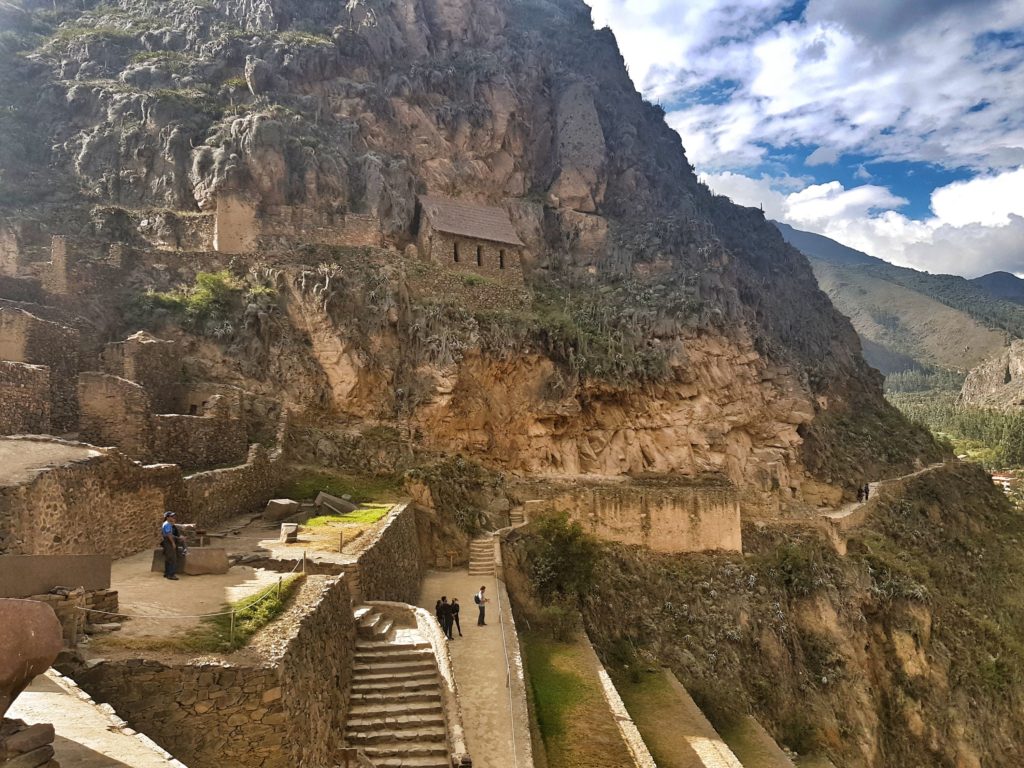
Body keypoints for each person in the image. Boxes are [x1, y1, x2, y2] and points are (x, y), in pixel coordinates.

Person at [161, 511, 182, 580]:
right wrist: (173, 543)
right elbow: (169, 534)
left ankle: (167, 573)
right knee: (172, 559)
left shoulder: (166, 524)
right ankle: (171, 574)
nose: (173, 517)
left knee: (168, 558)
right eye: (171, 516)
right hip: (168, 542)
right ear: (167, 517)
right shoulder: (167, 524)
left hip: (167, 541)